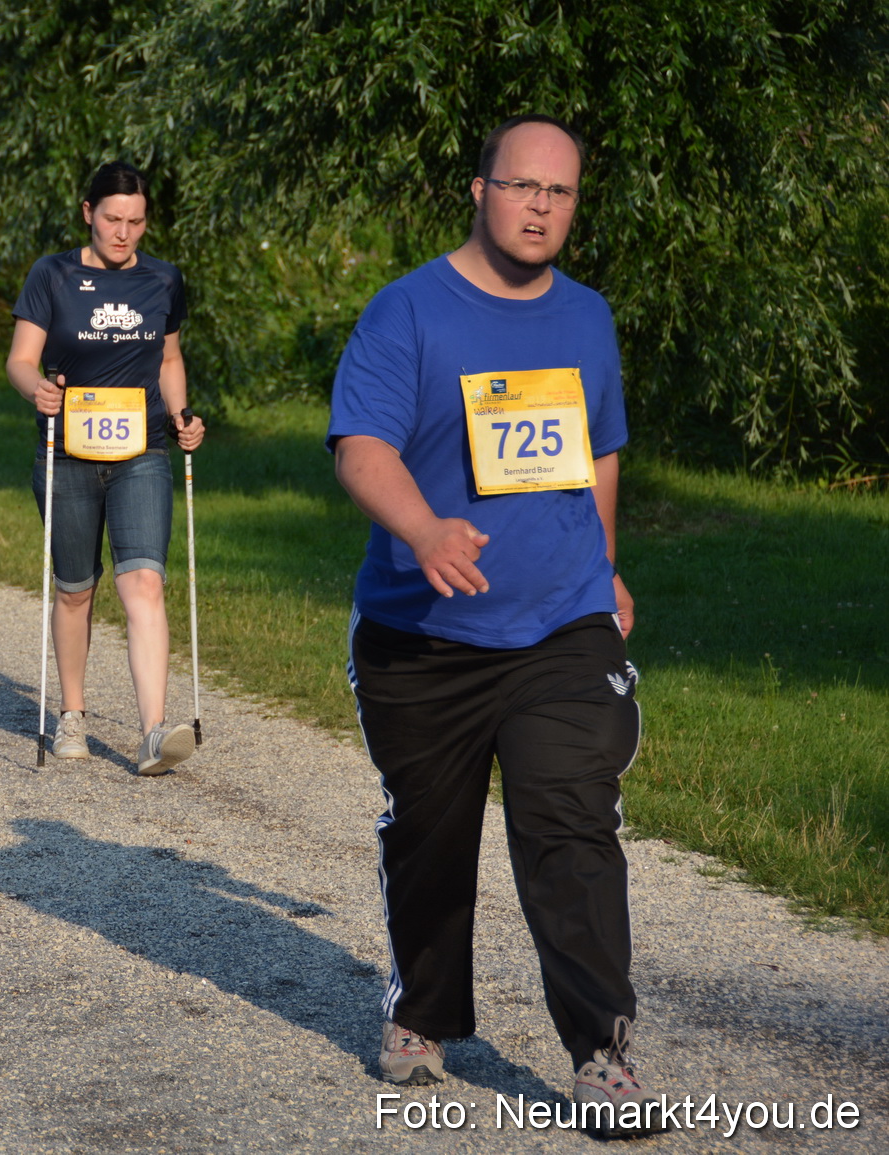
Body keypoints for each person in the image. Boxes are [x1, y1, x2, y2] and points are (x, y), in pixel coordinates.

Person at [326, 115, 663, 1136]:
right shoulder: (406, 313)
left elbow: (595, 453)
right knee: (430, 836)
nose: (540, 209)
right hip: (422, 636)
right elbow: (359, 449)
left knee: (569, 821)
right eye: (522, 187)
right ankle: (422, 1014)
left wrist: (602, 570)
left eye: (559, 194)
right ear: (479, 191)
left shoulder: (587, 318)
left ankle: (599, 1052)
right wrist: (423, 529)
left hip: (561, 624)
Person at [5, 161, 205, 776]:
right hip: (66, 450)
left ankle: (152, 734)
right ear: (87, 212)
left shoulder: (164, 280)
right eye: (113, 219)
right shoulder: (53, 274)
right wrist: (35, 388)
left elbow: (169, 358)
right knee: (76, 589)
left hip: (142, 449)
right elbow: (19, 358)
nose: (123, 234)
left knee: (142, 581)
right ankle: (73, 714)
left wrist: (182, 414)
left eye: (136, 222)